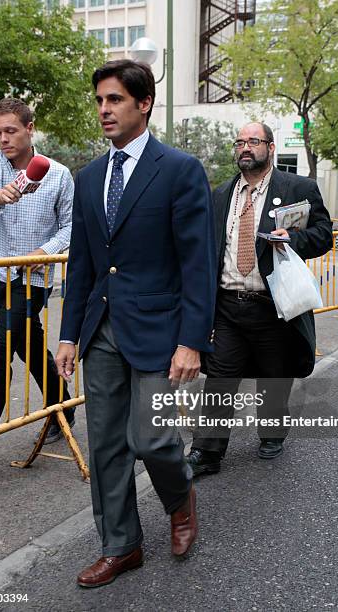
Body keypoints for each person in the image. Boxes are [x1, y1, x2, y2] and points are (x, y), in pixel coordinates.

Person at [55, 60, 216, 587]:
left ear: (142, 103)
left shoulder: (178, 169)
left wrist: (192, 341)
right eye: (99, 101)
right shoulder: (88, 177)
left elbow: (198, 262)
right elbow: (82, 261)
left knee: (151, 441)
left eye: (115, 100)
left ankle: (180, 498)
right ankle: (121, 546)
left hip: (161, 331)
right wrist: (68, 334)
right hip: (101, 328)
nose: (104, 109)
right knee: (105, 446)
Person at [186, 122, 333, 476]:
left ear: (269, 146)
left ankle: (272, 432)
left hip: (273, 305)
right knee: (219, 379)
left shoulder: (297, 187)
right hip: (228, 304)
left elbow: (324, 235)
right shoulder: (221, 194)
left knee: (274, 375)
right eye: (240, 142)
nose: (245, 147)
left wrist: (293, 240)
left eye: (253, 141)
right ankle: (207, 452)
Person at [0, 98, 74, 479]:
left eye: (11, 130)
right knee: (28, 343)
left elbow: (70, 227)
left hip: (35, 279)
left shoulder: (58, 175)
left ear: (30, 128)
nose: (4, 139)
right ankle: (63, 406)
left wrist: (45, 251)